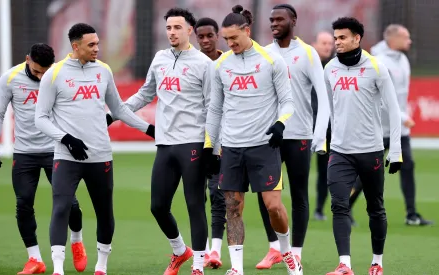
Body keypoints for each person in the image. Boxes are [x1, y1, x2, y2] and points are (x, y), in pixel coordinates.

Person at [35, 23, 154, 275]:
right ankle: (58, 268)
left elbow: (119, 109)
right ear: (75, 46)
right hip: (66, 156)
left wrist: (149, 129)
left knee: (104, 211)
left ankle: (101, 266)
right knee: (61, 208)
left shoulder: (104, 71)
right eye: (91, 45)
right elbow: (41, 118)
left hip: (100, 155)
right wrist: (66, 139)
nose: (97, 49)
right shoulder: (54, 74)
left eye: (98, 43)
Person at [108, 8, 219, 275]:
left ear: (189, 30)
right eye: (168, 28)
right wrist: (115, 113)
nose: (172, 32)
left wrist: (211, 147)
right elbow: (145, 93)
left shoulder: (204, 64)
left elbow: (213, 108)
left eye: (177, 28)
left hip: (193, 143)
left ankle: (198, 265)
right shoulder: (159, 59)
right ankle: (180, 251)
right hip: (165, 144)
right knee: (158, 206)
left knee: (194, 204)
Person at [205, 5, 302, 275]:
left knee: (273, 207)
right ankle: (236, 268)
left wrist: (281, 124)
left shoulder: (272, 61)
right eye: (226, 39)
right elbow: (215, 109)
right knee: (233, 209)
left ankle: (287, 253)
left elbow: (287, 101)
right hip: (232, 148)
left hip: (264, 146)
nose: (230, 44)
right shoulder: (221, 66)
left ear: (247, 31)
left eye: (234, 38)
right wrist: (210, 146)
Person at [0, 43, 86, 274]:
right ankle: (35, 260)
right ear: (27, 59)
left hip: (57, 150)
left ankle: (77, 241)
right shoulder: (9, 78)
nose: (42, 77)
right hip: (24, 153)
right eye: (37, 71)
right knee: (23, 205)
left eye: (45, 71)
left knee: (70, 204)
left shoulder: (60, 75)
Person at [323, 17, 402, 275]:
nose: (337, 42)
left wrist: (397, 151)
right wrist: (326, 140)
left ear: (357, 38)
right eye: (335, 38)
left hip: (371, 152)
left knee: (375, 207)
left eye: (343, 37)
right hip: (340, 152)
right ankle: (344, 264)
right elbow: (330, 110)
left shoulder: (376, 68)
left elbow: (393, 110)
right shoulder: (330, 70)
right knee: (339, 205)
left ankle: (377, 262)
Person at [254, 4, 330, 269]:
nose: (274, 23)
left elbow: (323, 97)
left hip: (299, 135)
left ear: (293, 21)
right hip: (269, 137)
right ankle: (275, 248)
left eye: (279, 19)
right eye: (271, 19)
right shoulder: (263, 53)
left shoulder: (308, 54)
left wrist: (319, 137)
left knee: (299, 195)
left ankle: (295, 251)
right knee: (265, 194)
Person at [349, 24, 433, 226]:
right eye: (406, 37)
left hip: (399, 129)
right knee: (368, 171)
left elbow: (400, 95)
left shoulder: (403, 60)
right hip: (378, 128)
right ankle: (344, 207)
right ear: (392, 39)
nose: (409, 41)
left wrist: (402, 119)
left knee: (408, 166)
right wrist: (404, 116)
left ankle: (411, 214)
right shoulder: (377, 61)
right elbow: (381, 97)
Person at [195, 17, 225, 269]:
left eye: (209, 36)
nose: (205, 40)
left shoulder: (228, 62)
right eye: (200, 36)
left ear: (218, 36)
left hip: (223, 142)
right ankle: (202, 251)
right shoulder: (193, 64)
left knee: (219, 195)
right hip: (194, 141)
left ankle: (215, 251)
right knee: (196, 196)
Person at [311, 31, 335, 222]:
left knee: (325, 171)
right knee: (297, 170)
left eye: (330, 43)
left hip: (327, 128)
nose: (328, 46)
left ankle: (319, 209)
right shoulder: (308, 63)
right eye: (324, 43)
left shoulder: (335, 67)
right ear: (315, 44)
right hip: (305, 126)